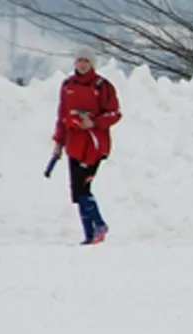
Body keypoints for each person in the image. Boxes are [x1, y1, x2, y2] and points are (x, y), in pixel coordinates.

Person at [51, 46, 122, 245]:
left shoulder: (102, 86)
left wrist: (94, 122)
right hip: (74, 144)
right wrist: (58, 142)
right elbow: (62, 115)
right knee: (77, 190)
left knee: (82, 187)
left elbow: (114, 114)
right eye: (79, 60)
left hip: (94, 145)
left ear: (92, 64)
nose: (82, 64)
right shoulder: (68, 85)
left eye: (86, 61)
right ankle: (89, 235)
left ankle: (99, 225)